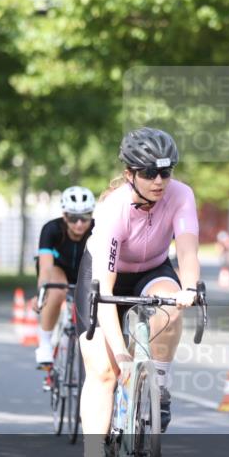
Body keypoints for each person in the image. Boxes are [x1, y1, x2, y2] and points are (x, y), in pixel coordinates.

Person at [76, 127, 200, 438]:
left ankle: (159, 385)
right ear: (130, 173)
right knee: (103, 372)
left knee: (170, 306)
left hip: (153, 269)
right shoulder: (113, 209)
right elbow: (105, 289)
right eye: (148, 172)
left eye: (165, 171)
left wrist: (189, 289)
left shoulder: (181, 195)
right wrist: (121, 355)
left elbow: (187, 250)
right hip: (106, 276)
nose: (159, 181)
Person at [35, 186, 96, 371]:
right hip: (58, 269)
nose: (79, 223)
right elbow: (45, 267)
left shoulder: (98, 229)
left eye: (85, 217)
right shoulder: (51, 229)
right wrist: (41, 294)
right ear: (64, 215)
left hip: (85, 271)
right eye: (72, 217)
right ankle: (45, 343)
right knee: (56, 288)